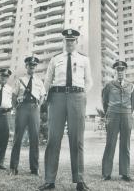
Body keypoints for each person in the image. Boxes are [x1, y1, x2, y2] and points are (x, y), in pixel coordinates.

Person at [39, 29, 93, 191]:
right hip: (57, 98)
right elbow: (48, 80)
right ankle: (49, 180)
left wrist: (82, 94)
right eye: (67, 41)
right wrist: (44, 97)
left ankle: (80, 180)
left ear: (76, 42)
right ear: (64, 42)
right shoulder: (55, 59)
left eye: (72, 41)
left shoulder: (84, 60)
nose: (69, 43)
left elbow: (89, 81)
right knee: (53, 138)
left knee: (77, 139)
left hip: (77, 97)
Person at [10, 56, 46, 176]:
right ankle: (13, 167)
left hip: (34, 109)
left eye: (34, 65)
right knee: (18, 138)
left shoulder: (39, 81)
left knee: (34, 138)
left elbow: (42, 96)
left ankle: (35, 168)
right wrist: (16, 108)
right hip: (22, 109)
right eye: (30, 65)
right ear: (26, 66)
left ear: (36, 67)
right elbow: (14, 96)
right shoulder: (20, 80)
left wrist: (38, 106)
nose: (32, 67)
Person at [101, 61, 134, 182]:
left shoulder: (131, 85)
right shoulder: (109, 85)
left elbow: (133, 102)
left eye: (122, 70)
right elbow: (104, 102)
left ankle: (125, 172)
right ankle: (106, 173)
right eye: (118, 70)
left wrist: (128, 112)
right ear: (114, 71)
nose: (120, 72)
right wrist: (109, 112)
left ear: (125, 71)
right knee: (110, 143)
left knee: (125, 144)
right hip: (113, 114)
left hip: (126, 115)